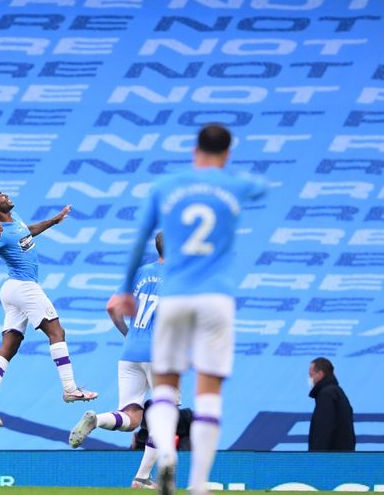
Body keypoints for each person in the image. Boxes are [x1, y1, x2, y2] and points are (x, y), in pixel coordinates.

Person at [111, 124, 267, 495]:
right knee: (209, 390)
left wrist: (124, 291)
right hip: (216, 298)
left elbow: (138, 242)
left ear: (194, 150)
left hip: (177, 295)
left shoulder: (166, 187)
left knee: (165, 387)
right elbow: (260, 188)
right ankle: (198, 484)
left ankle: (165, 454)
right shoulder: (233, 185)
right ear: (227, 154)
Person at [0, 189, 97, 427]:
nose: (5, 194)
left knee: (10, 345)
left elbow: (28, 232)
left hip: (12, 290)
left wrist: (54, 220)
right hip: (24, 288)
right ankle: (70, 388)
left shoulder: (14, 218)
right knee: (57, 332)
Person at [69, 232, 166, 490]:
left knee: (132, 417)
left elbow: (112, 306)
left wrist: (128, 333)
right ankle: (142, 477)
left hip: (131, 351)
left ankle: (97, 420)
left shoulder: (141, 271)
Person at [307, 357, 355, 451]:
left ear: (320, 374)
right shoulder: (337, 391)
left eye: (311, 375)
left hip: (331, 459)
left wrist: (316, 457)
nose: (310, 379)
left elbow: (323, 430)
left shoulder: (326, 394)